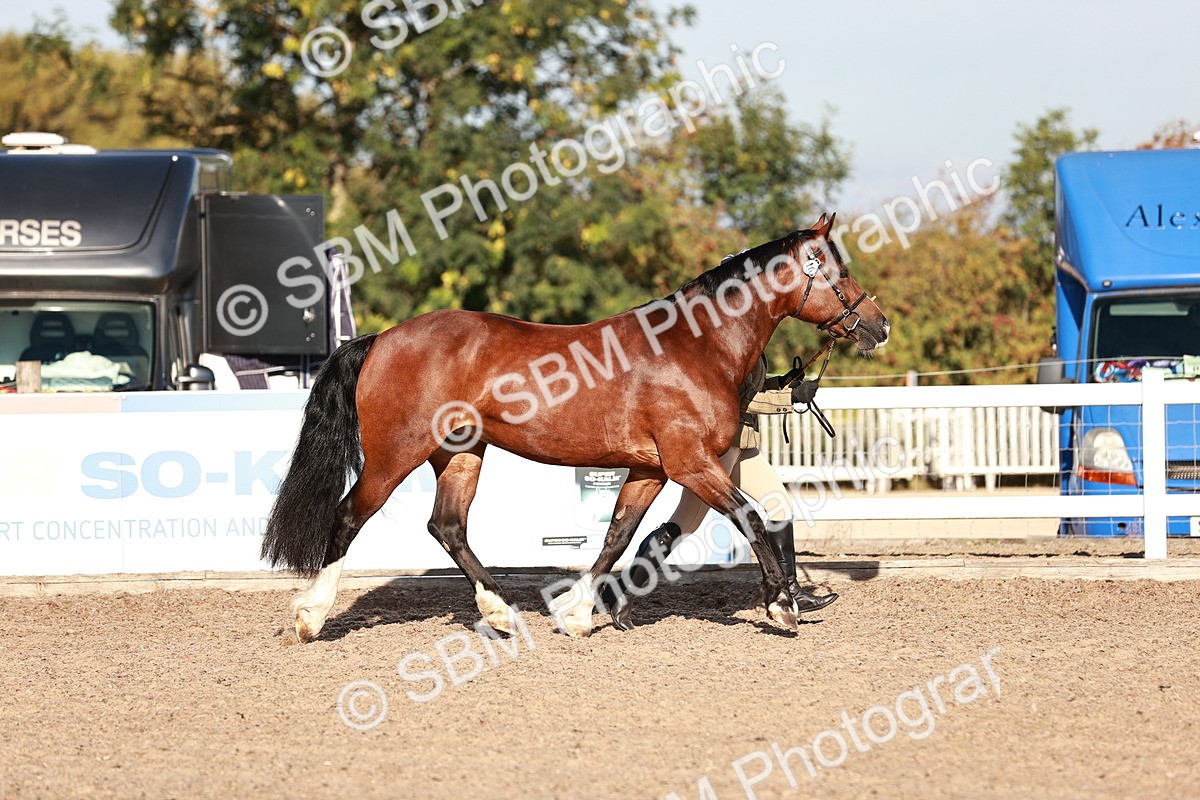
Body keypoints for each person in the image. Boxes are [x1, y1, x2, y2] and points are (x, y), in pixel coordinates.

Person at [598, 353, 839, 630]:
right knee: (685, 523)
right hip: (719, 448)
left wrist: (781, 384)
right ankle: (624, 592)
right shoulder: (729, 342)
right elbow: (738, 397)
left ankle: (790, 589)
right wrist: (789, 400)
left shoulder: (753, 341)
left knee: (779, 504)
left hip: (744, 443)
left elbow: (751, 387)